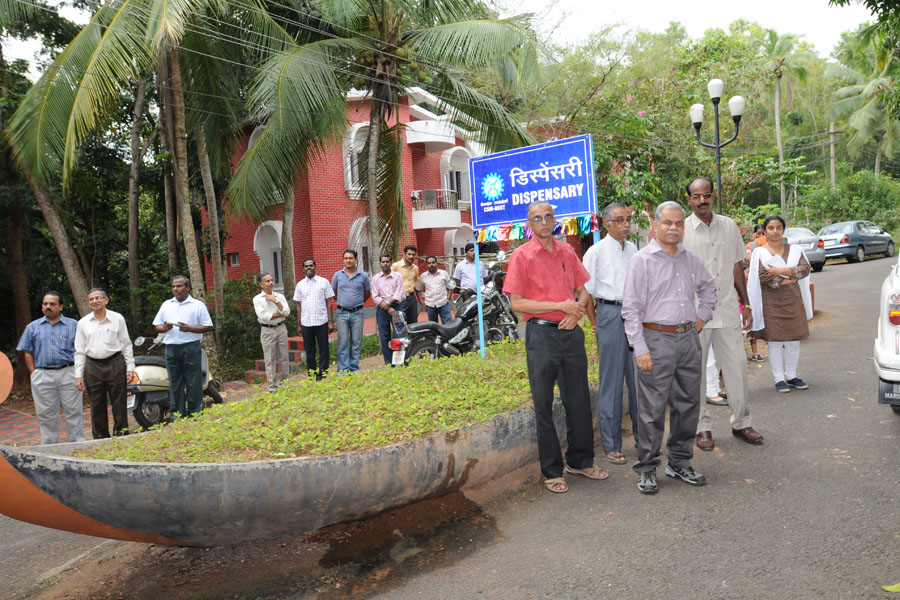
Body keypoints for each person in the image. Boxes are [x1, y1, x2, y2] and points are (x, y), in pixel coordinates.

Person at [505, 200, 608, 494]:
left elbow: (583, 289)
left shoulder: (566, 251)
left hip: (571, 333)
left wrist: (576, 313)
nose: (544, 222)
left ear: (555, 220)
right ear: (530, 225)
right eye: (537, 218)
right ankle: (551, 469)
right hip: (541, 336)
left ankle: (581, 461)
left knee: (578, 399)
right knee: (543, 404)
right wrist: (559, 306)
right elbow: (517, 303)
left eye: (548, 216)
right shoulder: (521, 257)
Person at [622, 201, 717, 494]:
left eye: (678, 224)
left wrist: (701, 318)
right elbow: (631, 309)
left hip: (688, 339)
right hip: (656, 341)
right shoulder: (642, 260)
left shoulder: (690, 259)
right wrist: (640, 349)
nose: (673, 228)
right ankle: (647, 467)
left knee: (688, 405)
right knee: (651, 410)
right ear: (656, 225)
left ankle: (679, 462)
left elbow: (709, 288)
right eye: (667, 223)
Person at [682, 176, 764, 450]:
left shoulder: (729, 226)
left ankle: (742, 423)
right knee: (696, 372)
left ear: (712, 196)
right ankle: (701, 427)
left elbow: (736, 268)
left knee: (737, 368)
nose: (702, 200)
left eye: (706, 195)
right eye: (696, 196)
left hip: (728, 308)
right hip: (695, 315)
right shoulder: (681, 230)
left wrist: (747, 305)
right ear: (689, 200)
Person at [583, 202, 639, 466]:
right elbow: (586, 294)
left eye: (628, 219)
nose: (626, 224)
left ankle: (644, 437)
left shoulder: (635, 250)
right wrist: (596, 324)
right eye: (620, 220)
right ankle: (612, 444)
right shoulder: (595, 252)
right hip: (609, 315)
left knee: (640, 379)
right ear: (607, 224)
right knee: (612, 382)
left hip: (635, 316)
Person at [748, 215, 813, 393]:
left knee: (794, 340)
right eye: (771, 228)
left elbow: (805, 269)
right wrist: (788, 280)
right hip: (771, 303)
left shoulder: (795, 250)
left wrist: (781, 271)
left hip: (793, 301)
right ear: (765, 231)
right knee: (775, 341)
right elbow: (762, 276)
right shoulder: (759, 252)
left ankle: (791, 376)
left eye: (778, 227)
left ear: (783, 230)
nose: (775, 231)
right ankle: (779, 379)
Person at [16, 291, 85, 444]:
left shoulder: (74, 325)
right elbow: (27, 352)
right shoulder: (32, 327)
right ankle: (49, 446)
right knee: (46, 414)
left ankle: (78, 445)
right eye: (45, 304)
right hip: (42, 375)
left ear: (60, 307)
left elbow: (81, 350)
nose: (48, 307)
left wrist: (79, 372)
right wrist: (34, 373)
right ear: (42, 307)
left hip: (69, 373)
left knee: (73, 411)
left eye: (52, 304)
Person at [74, 288, 135, 438]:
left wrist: (130, 367)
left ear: (106, 300)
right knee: (96, 404)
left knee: (119, 402)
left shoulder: (117, 318)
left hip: (115, 362)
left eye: (98, 298)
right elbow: (79, 351)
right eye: (92, 299)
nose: (95, 301)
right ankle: (100, 438)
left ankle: (121, 435)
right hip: (92, 366)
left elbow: (126, 344)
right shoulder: (83, 323)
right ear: (88, 303)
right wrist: (78, 375)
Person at [152, 276, 214, 420]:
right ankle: (177, 416)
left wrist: (190, 328)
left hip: (191, 347)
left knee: (193, 381)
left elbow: (209, 326)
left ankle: (195, 414)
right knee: (175, 382)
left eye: (179, 286)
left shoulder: (197, 305)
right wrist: (164, 328)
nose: (175, 289)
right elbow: (157, 326)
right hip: (171, 348)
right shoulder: (166, 304)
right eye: (173, 286)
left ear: (187, 288)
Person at [294, 259, 335, 380]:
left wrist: (330, 321)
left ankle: (322, 373)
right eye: (306, 266)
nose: (309, 268)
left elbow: (329, 303)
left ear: (315, 267)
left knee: (324, 349)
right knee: (309, 350)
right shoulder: (300, 285)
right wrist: (299, 325)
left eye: (311, 266)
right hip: (306, 322)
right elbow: (298, 306)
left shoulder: (324, 282)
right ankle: (312, 373)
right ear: (303, 269)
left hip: (321, 321)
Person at [332, 249, 371, 374]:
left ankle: (354, 368)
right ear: (343, 260)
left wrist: (356, 302)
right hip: (342, 313)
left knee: (356, 342)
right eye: (346, 258)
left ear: (356, 259)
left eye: (350, 258)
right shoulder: (337, 275)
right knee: (343, 342)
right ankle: (343, 369)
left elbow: (366, 293)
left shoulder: (363, 275)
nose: (348, 260)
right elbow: (334, 293)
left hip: (357, 313)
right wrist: (344, 302)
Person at [253, 272, 290, 393]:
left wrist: (275, 301)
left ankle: (285, 383)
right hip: (267, 330)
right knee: (269, 359)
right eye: (267, 281)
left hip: (281, 328)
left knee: (284, 356)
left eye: (271, 280)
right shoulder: (257, 299)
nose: (271, 283)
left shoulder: (279, 296)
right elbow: (264, 316)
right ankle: (272, 387)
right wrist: (280, 315)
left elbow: (287, 312)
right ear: (261, 285)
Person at [371, 254, 406, 365]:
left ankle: (399, 361)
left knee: (399, 335)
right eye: (383, 262)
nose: (385, 264)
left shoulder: (397, 276)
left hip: (397, 306)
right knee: (384, 335)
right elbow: (375, 296)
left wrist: (388, 305)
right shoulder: (376, 278)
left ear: (391, 262)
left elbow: (399, 293)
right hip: (382, 310)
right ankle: (389, 362)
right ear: (379, 263)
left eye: (387, 262)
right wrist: (386, 307)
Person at [417, 255, 453, 324]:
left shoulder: (444, 273)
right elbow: (418, 289)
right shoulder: (423, 276)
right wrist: (422, 302)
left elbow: (450, 286)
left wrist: (448, 299)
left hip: (443, 303)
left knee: (448, 325)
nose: (431, 265)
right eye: (429, 263)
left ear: (436, 263)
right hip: (430, 305)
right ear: (426, 265)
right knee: (433, 327)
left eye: (433, 262)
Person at [392, 245, 420, 326]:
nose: (411, 256)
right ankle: (399, 338)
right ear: (404, 254)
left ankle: (412, 338)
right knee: (399, 323)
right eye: (409, 254)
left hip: (412, 298)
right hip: (399, 299)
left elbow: (416, 283)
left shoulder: (415, 268)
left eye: (413, 254)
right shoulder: (395, 266)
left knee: (413, 323)